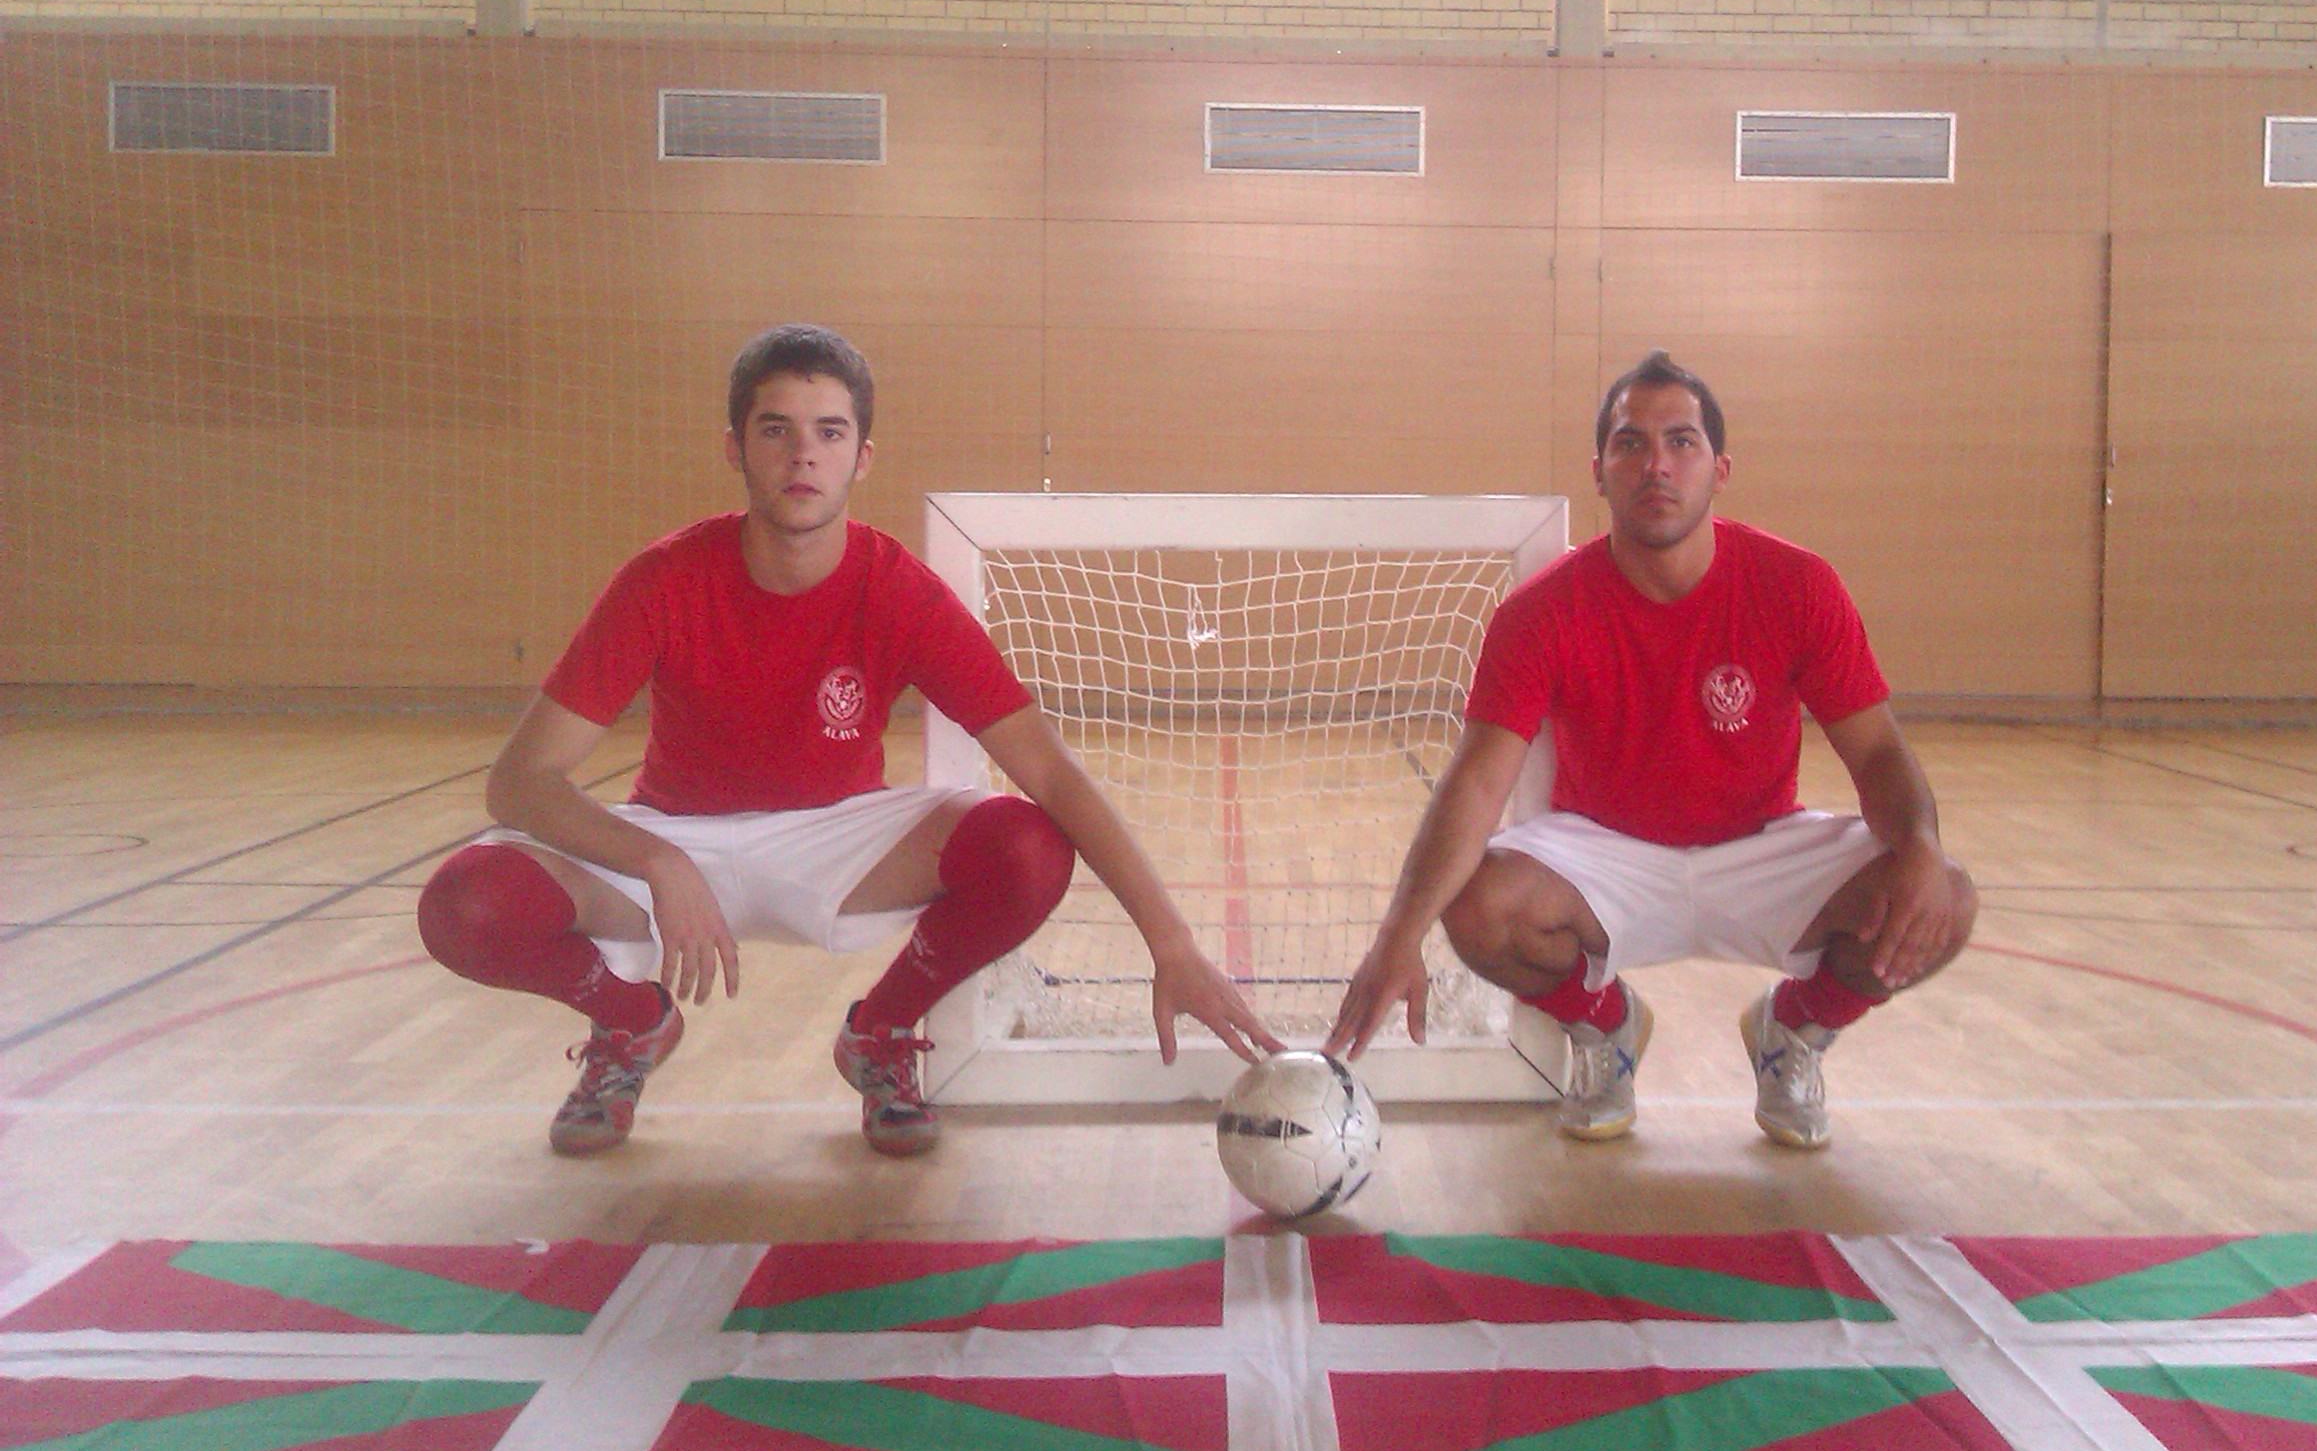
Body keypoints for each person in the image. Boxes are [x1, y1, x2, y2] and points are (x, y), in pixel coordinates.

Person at [416, 324, 1280, 1159]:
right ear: (736, 448)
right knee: (467, 903)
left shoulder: (900, 592)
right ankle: (630, 1023)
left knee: (1025, 848)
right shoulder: (664, 580)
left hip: (839, 839)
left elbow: (1050, 773)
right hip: (675, 835)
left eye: (829, 433)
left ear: (862, 457)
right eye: (776, 430)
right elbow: (520, 783)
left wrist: (1171, 943)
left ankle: (882, 1031)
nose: (803, 456)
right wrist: (658, 860)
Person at [1325, 350, 1976, 1149]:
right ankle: (1607, 1029)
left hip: (1761, 847)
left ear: (1720, 470)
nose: (1656, 465)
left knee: (1942, 897)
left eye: (1682, 442)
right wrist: (1399, 936)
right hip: (1606, 857)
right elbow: (1477, 782)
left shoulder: (1797, 586)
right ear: (1599, 471)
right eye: (1630, 443)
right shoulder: (1541, 612)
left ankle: (1794, 1032)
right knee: (1476, 905)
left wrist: (1920, 846)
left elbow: (1876, 753)